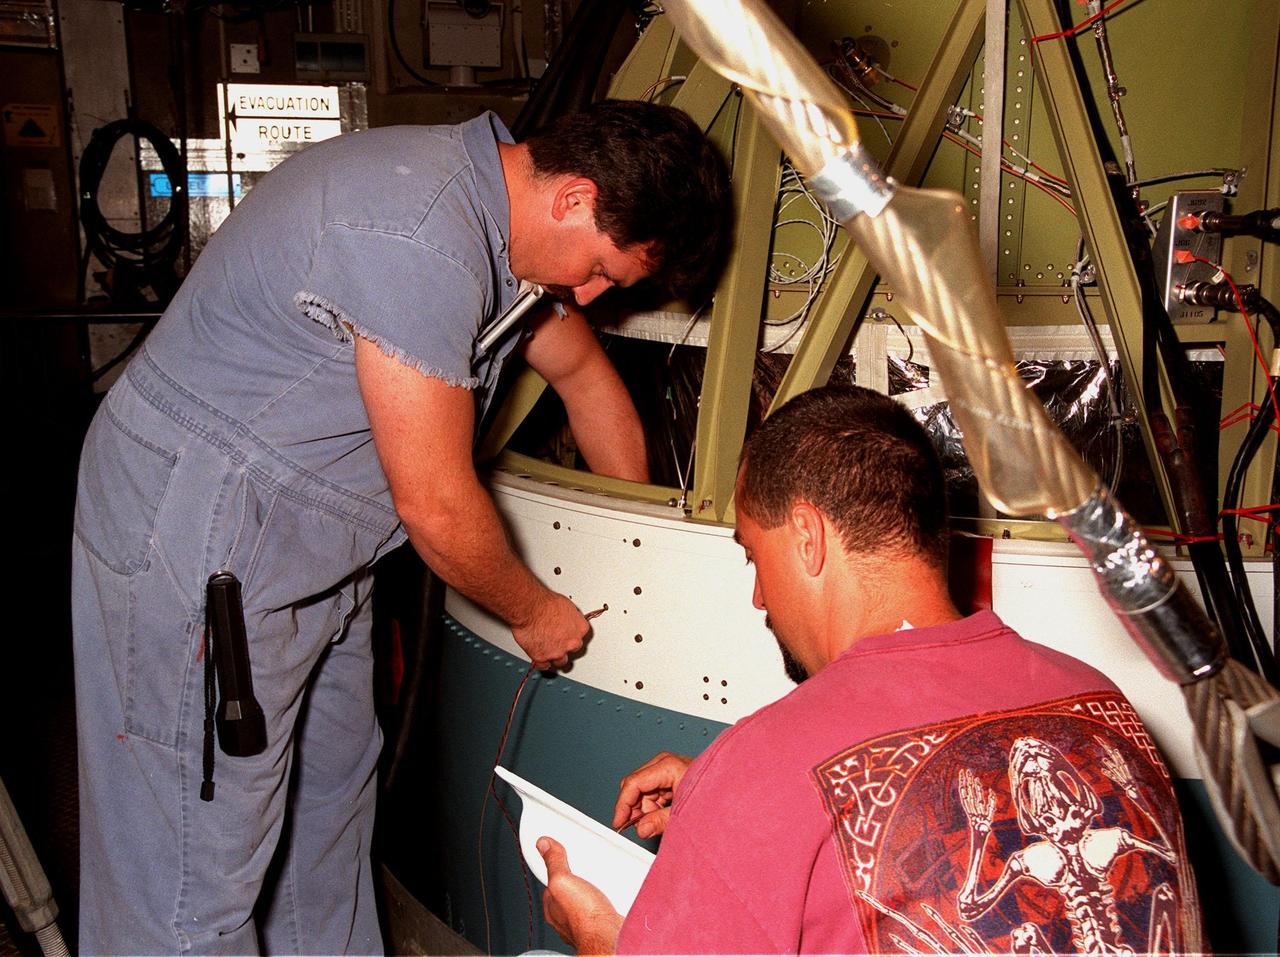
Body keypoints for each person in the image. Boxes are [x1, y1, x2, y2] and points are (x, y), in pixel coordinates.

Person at [71, 99, 730, 955]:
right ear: (573, 197)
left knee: (323, 820)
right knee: (192, 872)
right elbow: (438, 507)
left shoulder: (504, 230)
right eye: (603, 269)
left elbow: (588, 382)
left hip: (319, 548)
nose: (592, 295)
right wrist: (535, 613)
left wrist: (636, 561)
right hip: (206, 539)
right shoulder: (421, 234)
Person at [539, 384, 1203, 955]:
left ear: (807, 535)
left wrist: (603, 939)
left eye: (753, 556)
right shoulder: (1104, 707)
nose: (759, 596)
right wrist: (750, 816)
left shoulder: (759, 768)